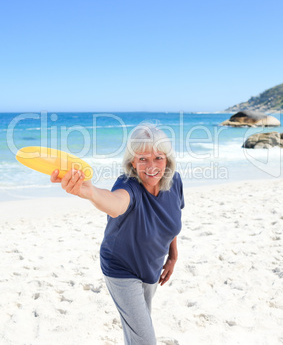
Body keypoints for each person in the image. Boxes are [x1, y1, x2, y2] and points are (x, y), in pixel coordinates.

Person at [51, 123, 184, 345]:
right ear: (132, 161)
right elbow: (115, 204)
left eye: (158, 157)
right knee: (145, 340)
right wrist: (90, 192)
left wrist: (173, 256)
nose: (151, 166)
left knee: (138, 331)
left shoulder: (175, 182)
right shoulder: (128, 186)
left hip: (151, 267)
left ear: (168, 160)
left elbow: (172, 221)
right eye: (142, 159)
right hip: (121, 268)